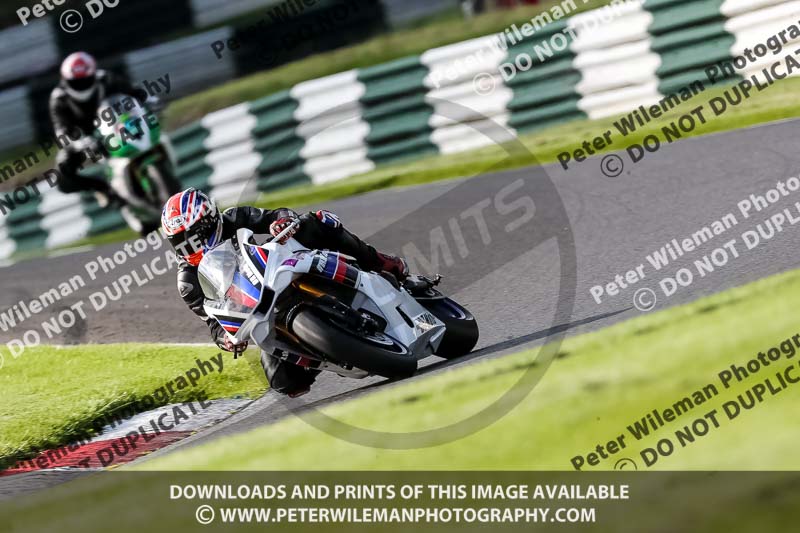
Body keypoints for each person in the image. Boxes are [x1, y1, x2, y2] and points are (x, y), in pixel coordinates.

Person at [161, 188, 409, 397]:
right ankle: (329, 352)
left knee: (318, 221)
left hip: (276, 268)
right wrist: (225, 340)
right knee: (283, 382)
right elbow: (213, 323)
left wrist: (281, 222)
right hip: (258, 310)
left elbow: (275, 214)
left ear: (210, 221)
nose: (189, 244)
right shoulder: (188, 283)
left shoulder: (234, 218)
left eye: (193, 235)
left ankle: (380, 262)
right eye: (180, 240)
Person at [49, 51, 149, 203]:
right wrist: (80, 143)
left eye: (85, 80)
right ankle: (104, 188)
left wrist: (147, 99)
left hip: (115, 124)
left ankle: (149, 158)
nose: (82, 85)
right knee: (62, 176)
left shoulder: (105, 78)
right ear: (65, 79)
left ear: (93, 74)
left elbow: (133, 92)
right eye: (76, 82)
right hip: (84, 138)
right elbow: (61, 131)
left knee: (147, 120)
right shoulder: (59, 98)